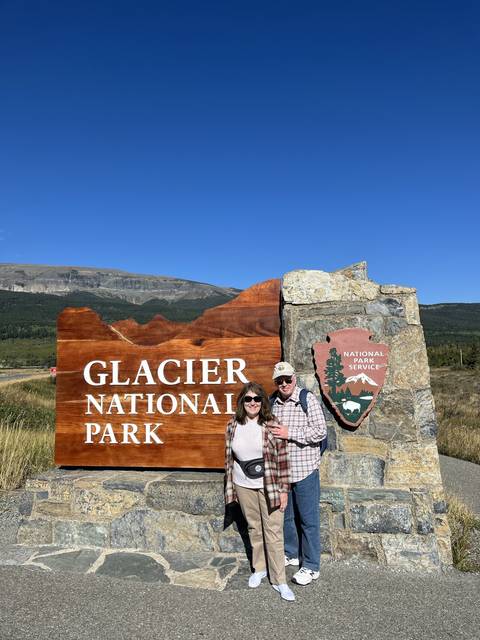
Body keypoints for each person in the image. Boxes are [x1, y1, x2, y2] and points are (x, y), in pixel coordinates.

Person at [224, 382, 295, 601]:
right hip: (243, 484)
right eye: (248, 399)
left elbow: (283, 459)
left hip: (270, 485)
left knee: (273, 532)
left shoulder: (271, 424)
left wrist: (284, 490)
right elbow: (229, 459)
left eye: (257, 399)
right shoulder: (232, 425)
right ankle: (259, 568)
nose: (252, 403)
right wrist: (231, 487)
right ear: (242, 402)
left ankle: (279, 580)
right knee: (254, 528)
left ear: (262, 402)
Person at [268, 361, 327, 586]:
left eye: (287, 379)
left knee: (309, 521)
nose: (284, 384)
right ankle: (291, 553)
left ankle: (311, 566)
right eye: (279, 381)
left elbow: (320, 431)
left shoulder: (307, 399)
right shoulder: (273, 402)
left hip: (305, 470)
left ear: (295, 378)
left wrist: (288, 433)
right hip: (283, 472)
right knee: (288, 517)